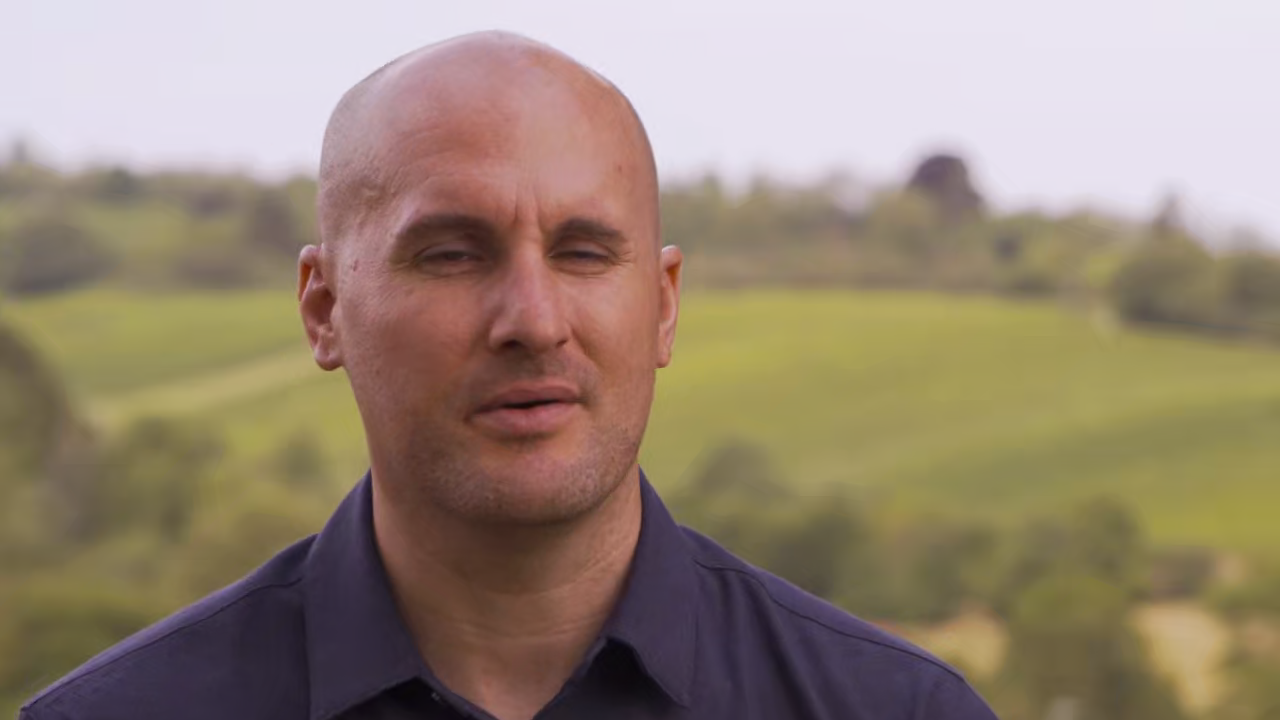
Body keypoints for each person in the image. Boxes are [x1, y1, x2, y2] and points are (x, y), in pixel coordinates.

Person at [20, 32, 998, 720]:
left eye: (583, 253)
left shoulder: (895, 711)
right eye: (451, 254)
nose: (532, 321)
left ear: (662, 306)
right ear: (324, 309)